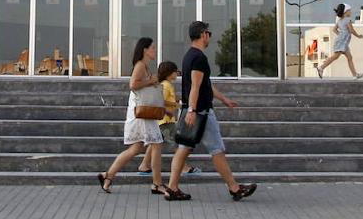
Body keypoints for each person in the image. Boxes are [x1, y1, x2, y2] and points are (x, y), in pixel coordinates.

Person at [164, 20, 257, 202]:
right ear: (203, 34)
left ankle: (172, 189)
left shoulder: (188, 56)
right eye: (209, 33)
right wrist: (192, 109)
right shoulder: (199, 58)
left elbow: (205, 85)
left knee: (183, 149)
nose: (209, 37)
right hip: (201, 113)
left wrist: (224, 99)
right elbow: (196, 87)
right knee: (217, 149)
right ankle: (234, 188)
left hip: (193, 111)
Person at [96, 37, 168, 195]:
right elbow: (133, 85)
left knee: (136, 148)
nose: (155, 51)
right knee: (156, 144)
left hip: (141, 111)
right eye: (153, 48)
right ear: (145, 50)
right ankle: (157, 183)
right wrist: (150, 81)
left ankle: (108, 176)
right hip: (141, 113)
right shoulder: (141, 66)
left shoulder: (145, 66)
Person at [138, 61, 200, 177]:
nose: (177, 74)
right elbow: (160, 99)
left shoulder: (165, 84)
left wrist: (178, 99)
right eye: (175, 71)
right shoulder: (166, 85)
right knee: (176, 145)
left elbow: (167, 98)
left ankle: (144, 165)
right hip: (166, 120)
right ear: (169, 73)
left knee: (154, 143)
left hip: (162, 121)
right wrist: (176, 105)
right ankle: (184, 167)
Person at [315, 3, 363, 79]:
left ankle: (355, 75)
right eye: (349, 10)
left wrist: (340, 35)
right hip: (342, 42)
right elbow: (351, 30)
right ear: (345, 12)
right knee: (336, 56)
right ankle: (321, 67)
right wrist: (358, 36)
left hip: (343, 42)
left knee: (349, 57)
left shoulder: (339, 21)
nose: (350, 12)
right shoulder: (348, 20)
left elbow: (334, 29)